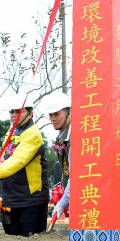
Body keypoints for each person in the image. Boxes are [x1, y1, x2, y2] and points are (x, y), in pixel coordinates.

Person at [0, 95, 50, 236]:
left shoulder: (33, 134)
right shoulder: (11, 132)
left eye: (19, 111)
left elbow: (18, 160)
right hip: (11, 196)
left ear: (30, 113)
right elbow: (4, 158)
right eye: (12, 112)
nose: (14, 115)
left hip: (31, 199)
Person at [40, 90, 71, 221]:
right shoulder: (61, 136)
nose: (53, 118)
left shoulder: (75, 135)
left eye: (57, 114)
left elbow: (75, 177)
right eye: (51, 115)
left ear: (69, 112)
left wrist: (62, 203)